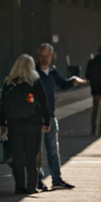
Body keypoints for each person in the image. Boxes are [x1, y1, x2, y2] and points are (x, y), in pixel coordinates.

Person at [35, 42, 86, 190]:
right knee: (37, 152)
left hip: (50, 116)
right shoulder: (34, 73)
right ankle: (37, 180)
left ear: (52, 56)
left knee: (53, 150)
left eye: (47, 56)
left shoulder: (52, 71)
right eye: (42, 56)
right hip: (37, 118)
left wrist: (73, 81)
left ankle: (56, 179)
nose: (44, 59)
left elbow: (62, 84)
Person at [0, 53, 51, 194]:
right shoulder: (35, 82)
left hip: (14, 124)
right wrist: (46, 121)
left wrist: (2, 122)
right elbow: (44, 103)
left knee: (17, 156)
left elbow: (4, 105)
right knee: (31, 156)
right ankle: (31, 187)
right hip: (32, 123)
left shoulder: (8, 83)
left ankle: (19, 187)